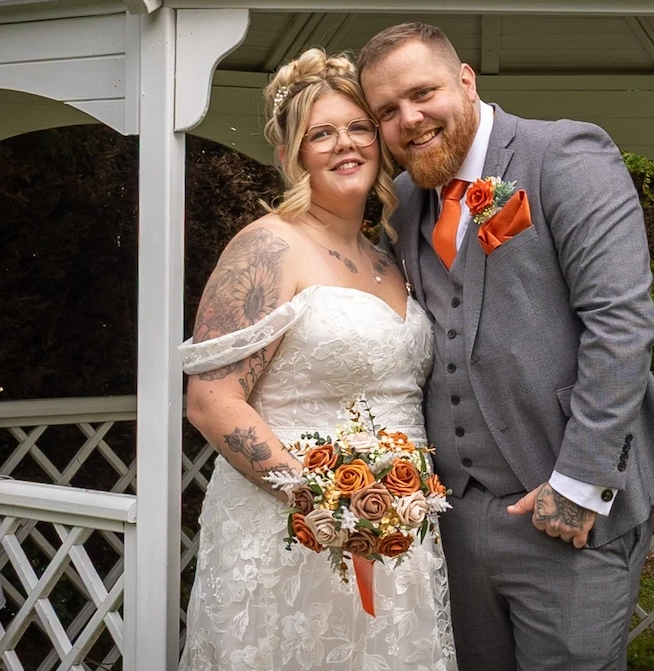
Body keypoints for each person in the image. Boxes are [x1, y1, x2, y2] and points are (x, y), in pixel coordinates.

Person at [358, 23, 654, 671]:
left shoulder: (564, 155)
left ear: (465, 81)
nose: (409, 119)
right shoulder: (403, 201)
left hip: (565, 513)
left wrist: (576, 486)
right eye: (386, 110)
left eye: (422, 92)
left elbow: (622, 324)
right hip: (453, 516)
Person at [177, 48, 455, 671]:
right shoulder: (268, 246)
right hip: (292, 532)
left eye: (358, 128)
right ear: (291, 154)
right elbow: (211, 400)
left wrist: (382, 512)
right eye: (320, 134)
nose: (345, 145)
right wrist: (324, 506)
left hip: (397, 529)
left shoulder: (390, 258)